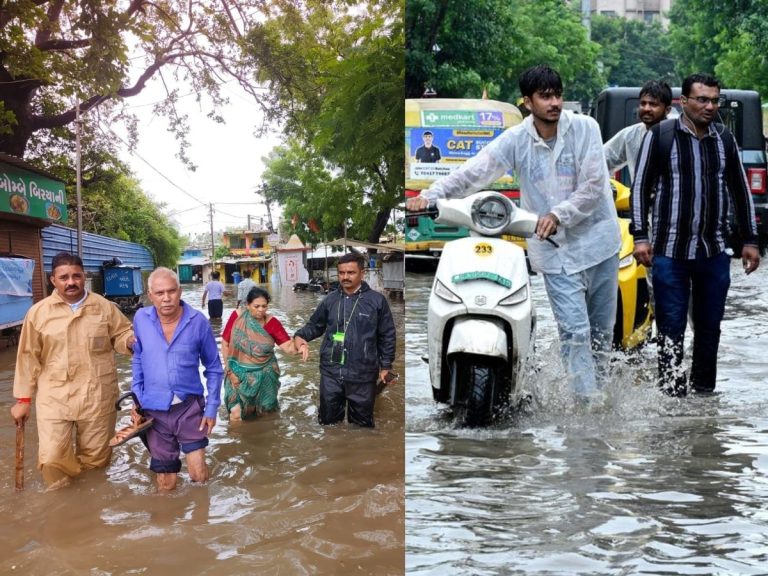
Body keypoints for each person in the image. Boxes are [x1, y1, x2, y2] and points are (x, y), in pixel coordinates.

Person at [407, 65, 621, 400]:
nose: (554, 103)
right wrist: (429, 196)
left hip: (599, 245)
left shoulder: (585, 128)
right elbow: (473, 172)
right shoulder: (516, 140)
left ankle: (602, 400)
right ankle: (585, 406)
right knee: (575, 333)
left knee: (600, 334)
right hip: (553, 252)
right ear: (527, 102)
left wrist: (557, 214)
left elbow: (594, 187)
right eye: (545, 96)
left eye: (558, 95)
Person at [631, 72, 760, 396]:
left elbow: (740, 190)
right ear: (684, 102)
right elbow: (640, 188)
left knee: (708, 331)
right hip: (669, 252)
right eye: (702, 99)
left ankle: (704, 400)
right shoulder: (661, 135)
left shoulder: (724, 139)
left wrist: (750, 240)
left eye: (715, 100)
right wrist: (640, 237)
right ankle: (672, 402)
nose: (710, 106)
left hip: (713, 252)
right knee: (670, 331)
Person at [10, 252, 135, 489]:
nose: (71, 282)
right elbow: (27, 357)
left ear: (84, 277)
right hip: (55, 397)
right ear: (52, 280)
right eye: (64, 277)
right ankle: (61, 506)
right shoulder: (38, 313)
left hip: (97, 394)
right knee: (52, 457)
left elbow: (121, 334)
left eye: (76, 276)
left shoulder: (104, 307)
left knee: (97, 460)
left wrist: (130, 341)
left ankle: (89, 507)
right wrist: (23, 399)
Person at [131, 267, 223, 490]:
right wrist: (137, 400)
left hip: (189, 408)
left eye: (171, 291)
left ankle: (202, 522)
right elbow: (138, 360)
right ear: (150, 294)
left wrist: (211, 408)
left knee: (198, 474)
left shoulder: (198, 321)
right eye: (160, 293)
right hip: (154, 410)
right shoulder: (141, 319)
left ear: (180, 291)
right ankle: (168, 524)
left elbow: (214, 367)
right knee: (165, 482)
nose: (166, 298)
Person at [293, 253, 396, 427]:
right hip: (331, 372)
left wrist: (386, 366)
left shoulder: (377, 301)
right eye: (341, 273)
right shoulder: (330, 300)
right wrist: (300, 337)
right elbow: (315, 325)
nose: (345, 277)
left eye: (351, 272)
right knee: (328, 424)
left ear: (362, 273)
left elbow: (387, 335)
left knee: (362, 428)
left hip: (363, 373)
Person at [220, 287, 308, 421]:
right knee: (236, 414)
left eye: (264, 306)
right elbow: (225, 344)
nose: (261, 310)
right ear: (248, 305)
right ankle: (238, 440)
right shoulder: (237, 317)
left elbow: (289, 348)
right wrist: (230, 373)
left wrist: (301, 345)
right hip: (237, 373)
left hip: (265, 374)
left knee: (266, 414)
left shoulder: (272, 323)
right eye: (256, 306)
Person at [604, 80, 673, 180]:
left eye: (653, 104)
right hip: (639, 195)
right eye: (643, 103)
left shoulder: (678, 136)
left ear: (667, 110)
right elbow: (600, 161)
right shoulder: (630, 135)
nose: (646, 108)